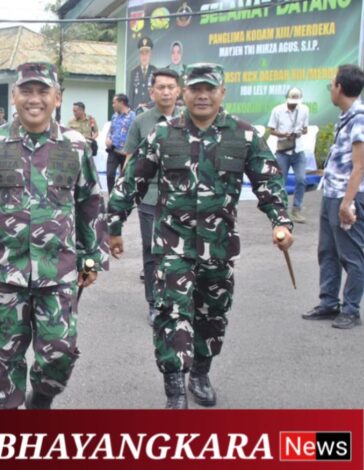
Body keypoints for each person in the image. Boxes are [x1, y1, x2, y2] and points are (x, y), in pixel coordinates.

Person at [107, 63, 294, 409]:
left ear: (222, 92)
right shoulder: (163, 134)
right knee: (171, 313)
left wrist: (280, 221)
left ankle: (200, 373)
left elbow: (268, 180)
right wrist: (114, 224)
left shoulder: (244, 135)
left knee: (212, 316)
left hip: (218, 246)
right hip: (172, 245)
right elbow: (132, 180)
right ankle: (175, 389)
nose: (203, 95)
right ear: (185, 93)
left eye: (210, 89)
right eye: (195, 89)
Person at [0, 62, 109, 410]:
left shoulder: (75, 145)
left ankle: (42, 396)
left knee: (60, 354)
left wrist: (92, 258)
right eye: (26, 91)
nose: (34, 99)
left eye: (42, 91)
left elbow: (90, 203)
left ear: (57, 98)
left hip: (58, 271)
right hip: (5, 273)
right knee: (2, 359)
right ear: (15, 96)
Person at [303, 64, 364, 330]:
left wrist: (347, 203)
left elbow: (360, 166)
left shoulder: (360, 117)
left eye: (332, 84)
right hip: (331, 193)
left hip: (347, 196)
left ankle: (351, 309)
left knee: (352, 255)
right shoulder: (346, 117)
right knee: (327, 251)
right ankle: (328, 303)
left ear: (340, 87)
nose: (331, 89)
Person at [122, 68, 182, 326]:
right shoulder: (141, 121)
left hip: (183, 197)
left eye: (170, 87)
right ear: (152, 91)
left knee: (181, 251)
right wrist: (124, 195)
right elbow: (129, 159)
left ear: (178, 91)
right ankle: (154, 302)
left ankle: (178, 299)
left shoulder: (190, 119)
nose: (166, 92)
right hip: (150, 196)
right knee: (152, 251)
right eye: (161, 87)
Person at [268, 87, 310, 223]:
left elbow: (306, 129)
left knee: (301, 179)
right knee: (280, 181)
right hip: (283, 151)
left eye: (296, 102)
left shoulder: (304, 110)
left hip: (298, 150)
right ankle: (281, 210)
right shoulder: (277, 110)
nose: (294, 104)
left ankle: (296, 210)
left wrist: (300, 132)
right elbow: (271, 130)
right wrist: (283, 134)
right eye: (292, 102)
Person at [105, 93, 135, 193]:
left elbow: (135, 134)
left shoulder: (133, 116)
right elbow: (111, 130)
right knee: (110, 174)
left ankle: (122, 196)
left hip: (126, 152)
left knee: (124, 176)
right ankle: (111, 195)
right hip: (113, 150)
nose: (112, 105)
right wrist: (107, 138)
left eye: (114, 102)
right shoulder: (114, 116)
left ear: (121, 102)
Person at [129, 36, 157, 112]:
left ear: (150, 54)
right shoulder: (133, 72)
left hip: (150, 110)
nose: (144, 56)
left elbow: (157, 94)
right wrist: (132, 110)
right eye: (142, 53)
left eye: (147, 53)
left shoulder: (155, 71)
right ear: (139, 55)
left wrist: (148, 105)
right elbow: (131, 95)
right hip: (136, 110)